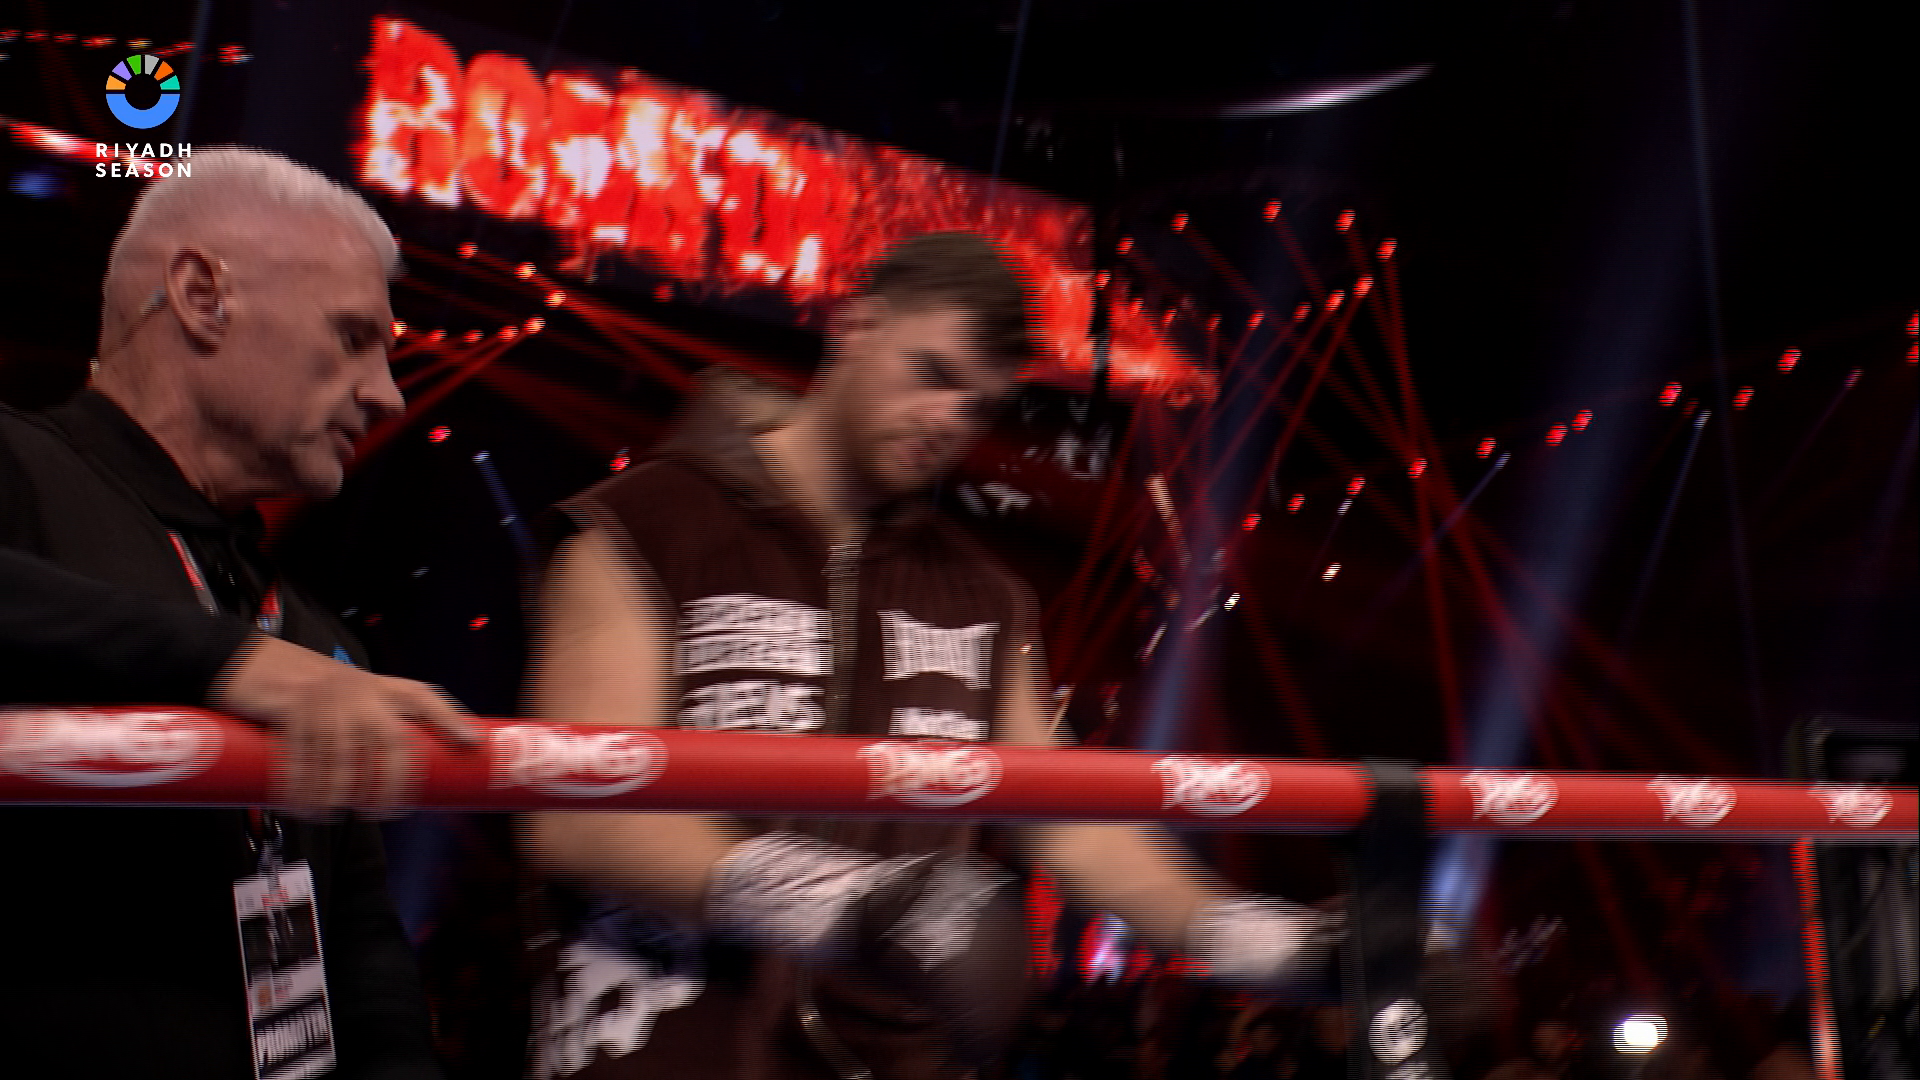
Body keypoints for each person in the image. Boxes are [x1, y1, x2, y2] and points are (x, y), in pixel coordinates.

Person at [519, 232, 1341, 1080]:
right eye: (932, 373)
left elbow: (1073, 827)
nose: (948, 419)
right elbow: (579, 814)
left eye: (978, 405)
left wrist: (1276, 944)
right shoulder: (642, 528)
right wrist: (854, 905)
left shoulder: (982, 597)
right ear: (857, 325)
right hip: (668, 1052)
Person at [0, 148, 472, 1077]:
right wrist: (227, 661)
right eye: (352, 336)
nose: (387, 392)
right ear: (200, 296)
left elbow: (364, 957)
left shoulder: (316, 637)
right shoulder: (20, 471)